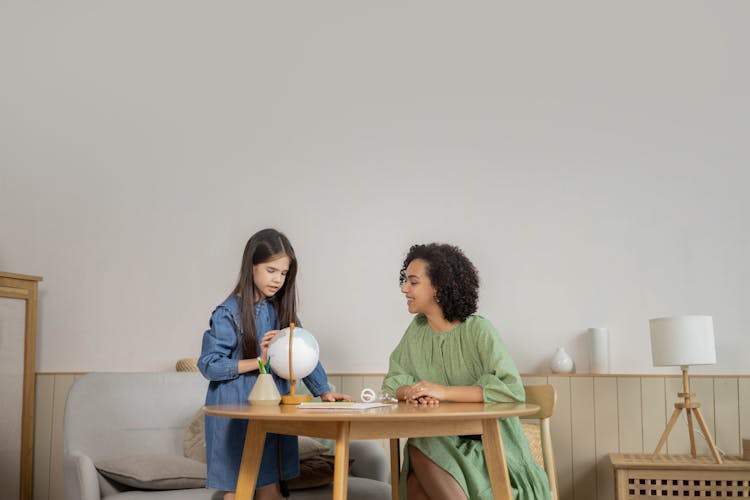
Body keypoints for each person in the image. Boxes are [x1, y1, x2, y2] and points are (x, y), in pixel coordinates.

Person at [382, 243, 551, 500]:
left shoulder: (478, 330)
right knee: (420, 454)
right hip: (441, 444)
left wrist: (441, 392)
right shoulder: (416, 331)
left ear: (438, 286)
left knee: (419, 465)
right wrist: (414, 392)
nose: (404, 289)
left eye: (413, 282)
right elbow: (395, 379)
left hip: (491, 449)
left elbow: (509, 388)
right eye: (405, 281)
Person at [198, 228, 352, 500]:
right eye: (271, 270)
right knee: (239, 491)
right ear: (252, 266)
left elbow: (302, 352)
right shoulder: (227, 313)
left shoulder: (281, 311)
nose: (278, 280)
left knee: (270, 489)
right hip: (236, 415)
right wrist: (259, 362)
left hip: (272, 412)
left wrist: (325, 392)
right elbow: (209, 365)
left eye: (283, 273)